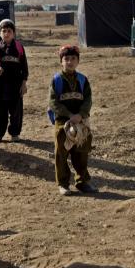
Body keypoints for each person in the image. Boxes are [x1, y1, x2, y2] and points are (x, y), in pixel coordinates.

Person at [48, 44, 96, 195]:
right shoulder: (56, 80)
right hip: (63, 120)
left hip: (81, 119)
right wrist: (69, 115)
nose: (69, 62)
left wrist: (81, 115)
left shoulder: (83, 80)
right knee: (61, 150)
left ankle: (82, 182)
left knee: (82, 150)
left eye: (73, 59)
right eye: (66, 59)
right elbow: (53, 102)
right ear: (61, 61)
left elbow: (88, 100)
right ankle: (63, 183)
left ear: (78, 61)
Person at [0, 19, 28, 143]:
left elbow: (24, 68)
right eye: (4, 31)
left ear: (14, 33)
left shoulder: (19, 47)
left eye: (9, 31)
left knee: (16, 112)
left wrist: (24, 84)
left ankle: (15, 133)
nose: (7, 33)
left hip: (16, 86)